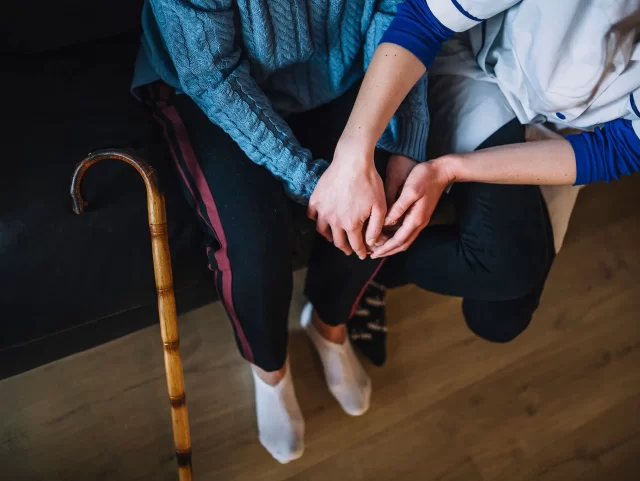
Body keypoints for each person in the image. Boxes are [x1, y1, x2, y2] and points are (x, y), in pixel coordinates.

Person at [132, 0, 431, 464]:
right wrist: (316, 184)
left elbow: (401, 11)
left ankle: (329, 325)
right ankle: (269, 368)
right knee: (255, 249)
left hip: (344, 68)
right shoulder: (209, 73)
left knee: (383, 205)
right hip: (211, 83)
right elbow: (212, 76)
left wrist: (402, 139)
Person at [312, 0, 640, 364]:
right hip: (479, 66)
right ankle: (352, 281)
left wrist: (450, 169)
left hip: (571, 132)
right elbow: (422, 19)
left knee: (500, 321)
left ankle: (370, 272)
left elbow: (618, 149)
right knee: (506, 266)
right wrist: (352, 156)